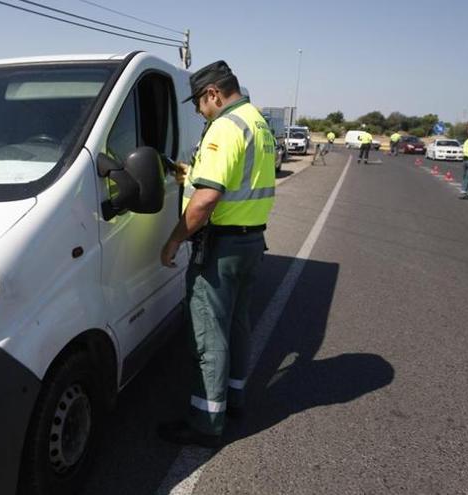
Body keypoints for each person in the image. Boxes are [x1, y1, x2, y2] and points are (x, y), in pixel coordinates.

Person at [158, 60, 275, 447]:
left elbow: (208, 198)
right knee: (237, 324)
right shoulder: (256, 121)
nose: (197, 111)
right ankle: (234, 397)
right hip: (251, 241)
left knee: (209, 333)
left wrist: (175, 238)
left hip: (221, 246)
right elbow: (236, 178)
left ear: (213, 93)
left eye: (198, 104)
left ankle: (206, 422)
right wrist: (189, 173)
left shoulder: (224, 127)